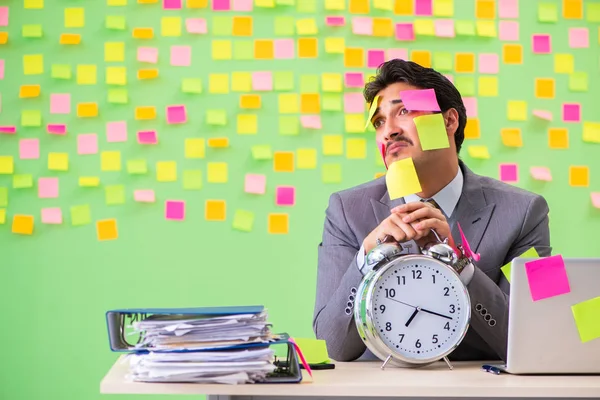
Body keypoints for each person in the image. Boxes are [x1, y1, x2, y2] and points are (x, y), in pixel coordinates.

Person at [312, 59, 551, 363]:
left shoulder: (527, 211)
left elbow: (535, 337)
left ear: (449, 121)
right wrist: (366, 257)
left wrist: (461, 266)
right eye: (379, 122)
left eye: (404, 111)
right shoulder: (345, 211)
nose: (389, 132)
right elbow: (331, 345)